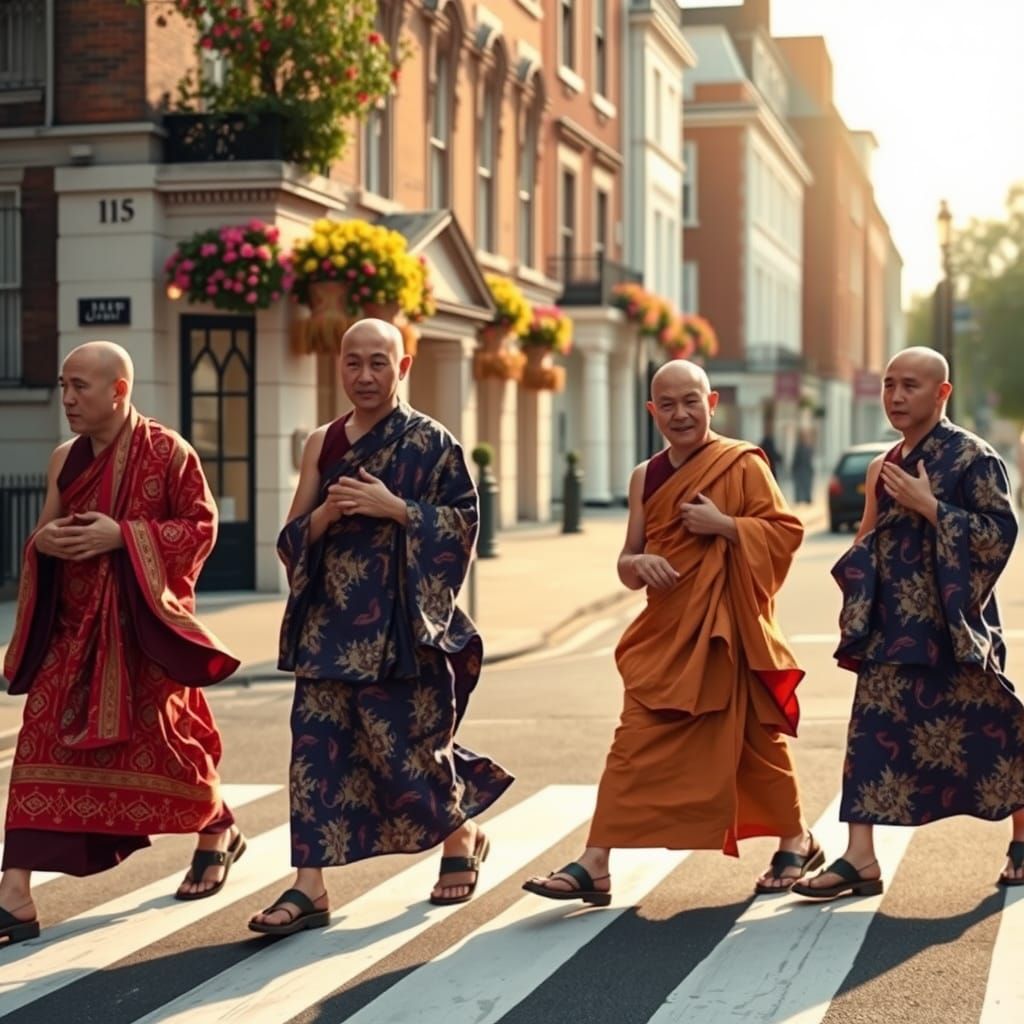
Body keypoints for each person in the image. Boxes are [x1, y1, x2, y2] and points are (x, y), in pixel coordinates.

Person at [248, 318, 512, 937]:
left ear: (404, 366)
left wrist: (396, 510)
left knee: (410, 751)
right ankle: (309, 886)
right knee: (315, 757)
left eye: (378, 363)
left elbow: (463, 525)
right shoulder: (323, 443)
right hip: (328, 627)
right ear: (338, 366)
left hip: (401, 627)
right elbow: (289, 540)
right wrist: (327, 514)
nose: (365, 376)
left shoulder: (431, 442)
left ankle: (459, 837)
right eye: (353, 363)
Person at [522, 360, 819, 906]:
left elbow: (784, 534)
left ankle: (795, 837)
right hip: (666, 634)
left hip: (730, 629)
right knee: (632, 742)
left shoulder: (744, 464)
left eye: (691, 401)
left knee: (755, 742)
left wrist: (726, 527)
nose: (680, 413)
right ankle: (596, 862)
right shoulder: (645, 476)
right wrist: (642, 564)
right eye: (668, 404)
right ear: (651, 410)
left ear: (711, 404)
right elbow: (626, 561)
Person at [0, 341, 243, 946]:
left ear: (119, 390)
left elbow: (200, 529)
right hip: (72, 635)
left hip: (142, 635)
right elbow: (42, 536)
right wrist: (45, 545)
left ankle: (216, 828)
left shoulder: (170, 453)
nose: (67, 399)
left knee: (167, 751)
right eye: (62, 386)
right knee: (37, 747)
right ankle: (14, 895)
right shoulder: (64, 459)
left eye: (80, 387)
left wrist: (124, 537)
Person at [793, 347, 1024, 900]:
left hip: (953, 628)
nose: (896, 396)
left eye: (911, 386)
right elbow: (865, 539)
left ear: (942, 393)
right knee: (870, 738)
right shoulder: (882, 465)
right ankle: (860, 858)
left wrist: (933, 508)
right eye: (890, 385)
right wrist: (859, 574)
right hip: (892, 628)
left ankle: (1021, 837)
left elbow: (1000, 535)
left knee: (995, 729)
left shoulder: (975, 459)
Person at [791, 429, 815, 504]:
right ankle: (799, 499)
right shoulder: (799, 448)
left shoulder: (808, 447)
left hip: (806, 470)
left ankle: (807, 498)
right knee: (799, 486)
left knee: (807, 485)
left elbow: (809, 460)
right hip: (800, 470)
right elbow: (796, 459)